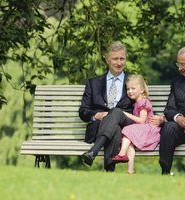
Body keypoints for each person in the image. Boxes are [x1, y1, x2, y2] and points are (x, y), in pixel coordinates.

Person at [79, 41, 164, 172]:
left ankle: (93, 152)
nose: (119, 62)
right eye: (115, 59)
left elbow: (144, 104)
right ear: (107, 60)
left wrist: (161, 118)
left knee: (117, 113)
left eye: (122, 58)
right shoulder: (93, 83)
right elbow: (83, 111)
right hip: (99, 128)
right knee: (116, 128)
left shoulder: (132, 84)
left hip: (126, 126)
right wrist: (97, 115)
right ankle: (109, 171)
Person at [111, 75, 161, 174]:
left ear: (142, 90)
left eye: (133, 88)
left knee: (127, 130)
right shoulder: (137, 103)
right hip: (143, 129)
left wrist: (126, 114)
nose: (130, 91)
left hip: (148, 130)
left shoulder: (143, 102)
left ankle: (121, 153)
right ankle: (130, 171)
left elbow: (142, 120)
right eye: (128, 89)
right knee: (130, 144)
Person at [159, 47, 185, 175]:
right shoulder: (176, 83)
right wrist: (179, 118)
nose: (180, 68)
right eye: (178, 64)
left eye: (183, 64)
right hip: (181, 130)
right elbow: (169, 109)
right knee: (168, 127)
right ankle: (165, 172)